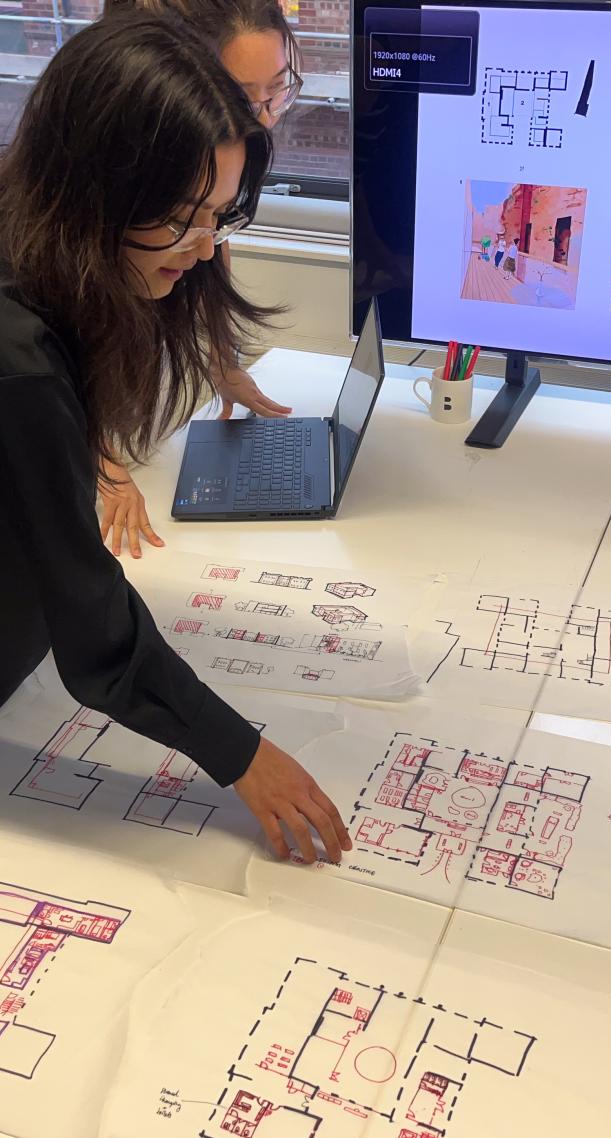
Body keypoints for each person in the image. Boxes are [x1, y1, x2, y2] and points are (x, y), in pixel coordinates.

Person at [0, 12, 351, 866]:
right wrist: (242, 755)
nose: (203, 250)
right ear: (94, 188)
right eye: (182, 218)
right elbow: (94, 629)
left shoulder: (49, 259)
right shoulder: (19, 361)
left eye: (221, 217)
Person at [100, 0, 302, 558]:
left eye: (277, 91)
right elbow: (52, 354)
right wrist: (102, 465)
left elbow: (213, 251)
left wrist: (224, 364)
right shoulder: (108, 193)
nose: (261, 117)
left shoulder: (218, 169)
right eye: (242, 97)